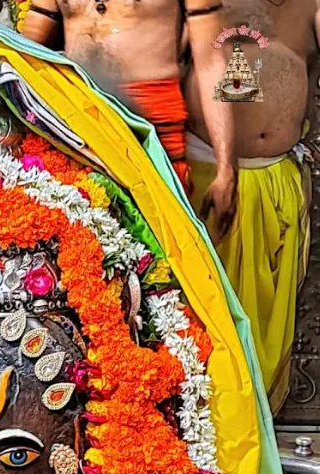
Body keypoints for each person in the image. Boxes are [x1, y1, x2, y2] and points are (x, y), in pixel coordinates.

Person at [185, 2, 317, 415]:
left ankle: (255, 438)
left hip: (278, 180)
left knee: (265, 335)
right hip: (210, 178)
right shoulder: (202, 5)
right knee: (208, 327)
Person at [20, 0, 238, 240]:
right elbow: (26, 52)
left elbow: (212, 62)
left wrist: (226, 167)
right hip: (78, 126)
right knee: (84, 249)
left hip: (153, 131)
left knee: (161, 253)